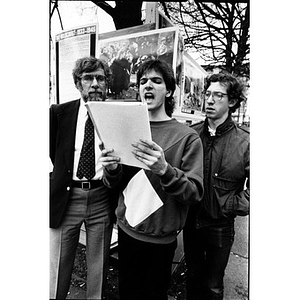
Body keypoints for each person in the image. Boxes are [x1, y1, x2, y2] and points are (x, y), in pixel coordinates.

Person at [99, 59, 204, 300]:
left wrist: (164, 169)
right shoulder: (125, 127)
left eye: (157, 81)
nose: (148, 86)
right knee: (127, 292)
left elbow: (194, 193)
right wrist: (112, 169)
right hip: (126, 232)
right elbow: (113, 184)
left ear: (168, 90)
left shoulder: (187, 137)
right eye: (143, 81)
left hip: (160, 240)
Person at [49, 56, 115, 299]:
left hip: (101, 197)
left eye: (100, 78)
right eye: (88, 78)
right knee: (59, 266)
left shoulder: (115, 115)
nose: (95, 83)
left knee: (98, 266)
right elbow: (55, 151)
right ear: (78, 84)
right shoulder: (59, 113)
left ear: (106, 83)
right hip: (67, 197)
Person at [183, 72, 250, 300]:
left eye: (218, 95)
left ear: (231, 101)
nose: (209, 100)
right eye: (208, 94)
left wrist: (231, 205)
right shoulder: (192, 134)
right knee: (192, 276)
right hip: (192, 221)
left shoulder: (245, 141)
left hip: (220, 225)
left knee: (213, 285)